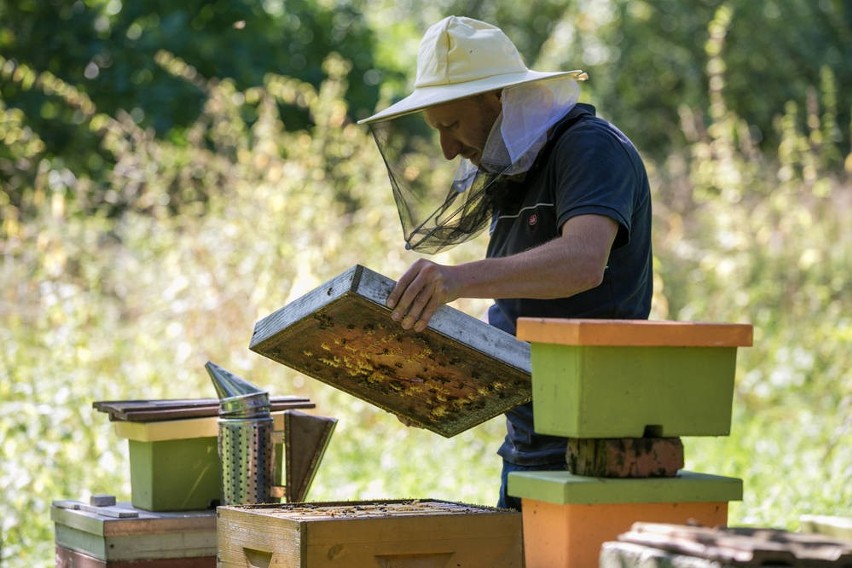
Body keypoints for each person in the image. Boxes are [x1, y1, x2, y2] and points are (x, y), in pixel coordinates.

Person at [358, 16, 653, 510]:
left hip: (600, 446)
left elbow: (582, 262)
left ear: (498, 98)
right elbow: (518, 313)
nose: (448, 148)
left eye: (450, 125)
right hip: (529, 443)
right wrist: (438, 385)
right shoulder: (513, 166)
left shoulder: (589, 147)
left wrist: (454, 279)